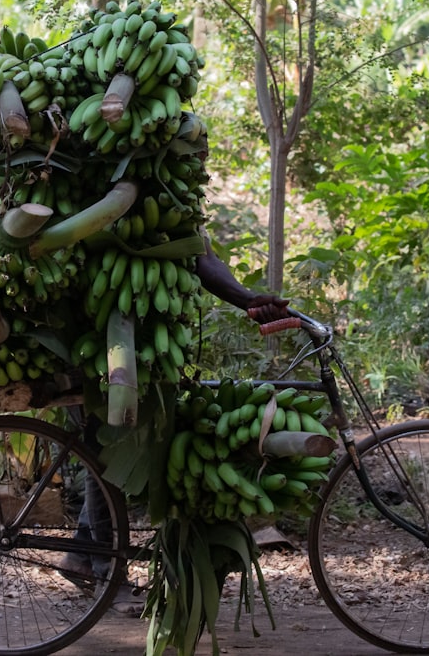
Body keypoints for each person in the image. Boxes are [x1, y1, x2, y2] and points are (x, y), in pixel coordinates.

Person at [59, 236, 289, 615]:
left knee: (112, 450)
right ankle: (107, 575)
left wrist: (248, 298)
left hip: (140, 339)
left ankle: (82, 554)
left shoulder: (170, 210)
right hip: (91, 337)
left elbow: (202, 255)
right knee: (107, 453)